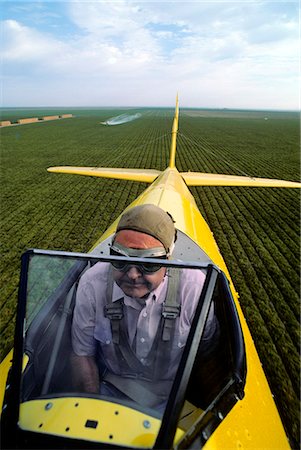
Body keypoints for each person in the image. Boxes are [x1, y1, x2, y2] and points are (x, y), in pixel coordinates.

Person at [71, 204, 218, 409]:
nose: (132, 274)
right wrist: (91, 408)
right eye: (120, 259)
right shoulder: (91, 284)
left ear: (168, 260)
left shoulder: (194, 289)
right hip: (110, 388)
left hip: (174, 396)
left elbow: (206, 352)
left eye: (148, 263)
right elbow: (83, 354)